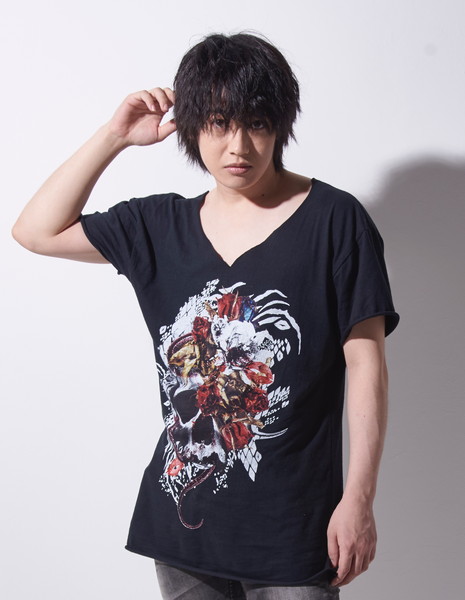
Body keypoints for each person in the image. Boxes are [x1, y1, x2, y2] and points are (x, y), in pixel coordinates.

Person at [12, 32, 399, 600]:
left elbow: (366, 364)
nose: (238, 146)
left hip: (295, 532)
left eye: (257, 124)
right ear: (192, 127)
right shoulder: (158, 227)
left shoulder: (335, 220)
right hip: (182, 531)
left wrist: (359, 497)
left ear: (281, 126)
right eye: (218, 123)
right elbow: (35, 231)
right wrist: (115, 137)